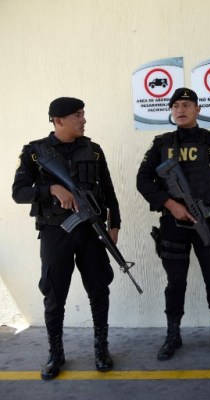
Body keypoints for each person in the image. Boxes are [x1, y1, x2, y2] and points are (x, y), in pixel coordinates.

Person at [12, 97, 121, 380]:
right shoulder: (35, 152)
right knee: (54, 295)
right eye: (77, 115)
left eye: (83, 113)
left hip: (90, 232)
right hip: (54, 233)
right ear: (58, 120)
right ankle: (55, 353)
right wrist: (51, 189)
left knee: (99, 290)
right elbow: (18, 192)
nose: (83, 119)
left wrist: (115, 224)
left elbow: (108, 191)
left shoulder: (94, 151)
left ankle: (101, 348)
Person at [136, 87, 210, 359]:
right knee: (175, 282)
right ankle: (173, 335)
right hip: (174, 224)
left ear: (198, 109)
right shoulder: (161, 144)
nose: (180, 110)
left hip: (208, 220)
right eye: (175, 106)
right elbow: (143, 180)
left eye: (186, 105)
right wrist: (170, 204)